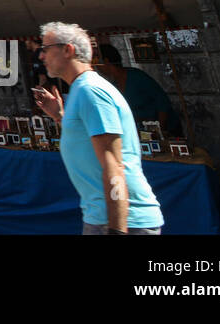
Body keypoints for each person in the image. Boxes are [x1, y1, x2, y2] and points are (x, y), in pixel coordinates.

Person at [34, 22, 164, 235]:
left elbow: (113, 165)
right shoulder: (82, 89)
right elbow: (86, 140)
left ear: (68, 50)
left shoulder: (90, 91)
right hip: (104, 218)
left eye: (46, 49)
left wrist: (117, 230)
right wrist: (60, 117)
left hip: (121, 221)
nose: (41, 56)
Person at [95, 44, 179, 135]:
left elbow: (162, 102)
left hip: (167, 129)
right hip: (143, 132)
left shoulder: (136, 76)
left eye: (97, 62)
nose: (97, 67)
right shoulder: (113, 86)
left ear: (106, 61)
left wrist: (160, 131)